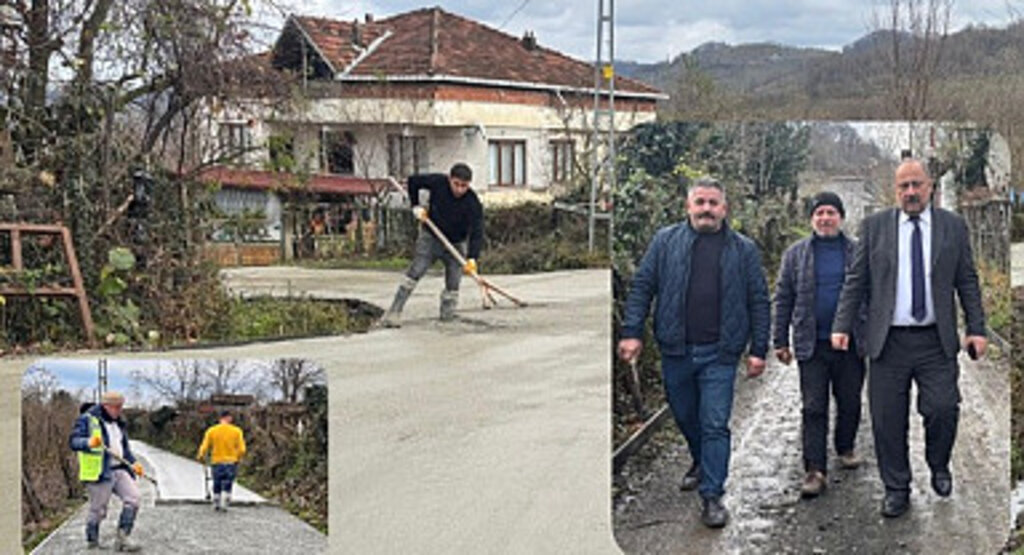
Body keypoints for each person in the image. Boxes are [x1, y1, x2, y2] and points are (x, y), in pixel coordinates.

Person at [832, 158, 987, 518]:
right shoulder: (874, 228)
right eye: (904, 186)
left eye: (917, 184)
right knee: (887, 420)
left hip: (936, 341)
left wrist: (977, 328)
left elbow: (967, 279)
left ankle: (938, 462)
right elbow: (856, 281)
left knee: (943, 408)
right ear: (895, 190)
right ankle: (896, 488)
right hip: (888, 342)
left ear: (930, 186)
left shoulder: (952, 226)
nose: (911, 192)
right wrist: (841, 325)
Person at [617, 176, 770, 528]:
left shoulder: (743, 249)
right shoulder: (665, 242)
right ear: (688, 207)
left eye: (713, 203)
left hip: (721, 353)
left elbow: (758, 300)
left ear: (724, 209)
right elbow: (642, 286)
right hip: (676, 350)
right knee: (686, 415)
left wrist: (758, 349)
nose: (706, 209)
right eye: (700, 202)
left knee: (714, 423)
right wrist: (632, 332)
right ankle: (701, 460)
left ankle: (712, 495)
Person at [773, 192, 866, 499]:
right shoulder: (795, 254)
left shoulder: (857, 251)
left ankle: (845, 446)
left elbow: (872, 294)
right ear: (812, 219)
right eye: (820, 213)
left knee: (850, 401)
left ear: (841, 217)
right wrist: (780, 340)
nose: (825, 218)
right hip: (811, 343)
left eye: (831, 212)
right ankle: (815, 469)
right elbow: (783, 297)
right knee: (813, 407)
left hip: (851, 343)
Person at [381, 163, 484, 326]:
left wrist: (472, 257)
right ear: (450, 179)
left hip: (456, 244)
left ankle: (448, 315)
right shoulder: (438, 182)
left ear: (469, 184)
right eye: (456, 184)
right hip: (431, 238)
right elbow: (413, 181)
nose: (459, 189)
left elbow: (477, 231)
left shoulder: (472, 202)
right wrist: (415, 205)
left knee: (453, 281)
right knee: (416, 271)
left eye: (464, 186)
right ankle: (394, 312)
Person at [68, 391, 144, 551]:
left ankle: (123, 539)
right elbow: (74, 442)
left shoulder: (119, 423)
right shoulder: (87, 419)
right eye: (116, 407)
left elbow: (125, 449)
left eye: (121, 407)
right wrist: (88, 442)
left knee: (134, 498)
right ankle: (92, 541)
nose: (119, 410)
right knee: (99, 510)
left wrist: (134, 463)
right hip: (100, 472)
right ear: (105, 405)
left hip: (120, 469)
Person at [196, 410, 247, 511]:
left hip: (217, 461)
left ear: (220, 418)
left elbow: (205, 446)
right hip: (231, 461)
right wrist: (238, 457)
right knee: (228, 481)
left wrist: (200, 455)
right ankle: (225, 499)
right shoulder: (237, 431)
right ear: (229, 418)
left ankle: (216, 500)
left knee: (217, 481)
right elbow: (242, 449)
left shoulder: (212, 431)